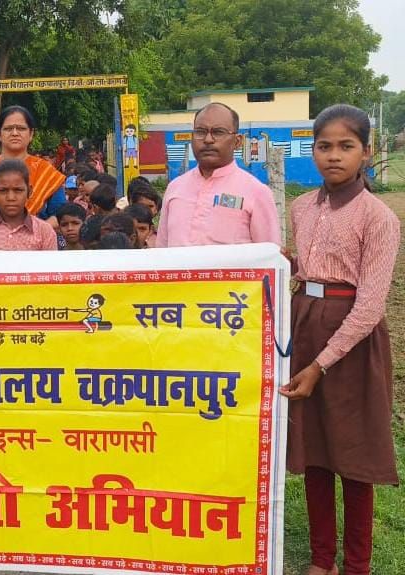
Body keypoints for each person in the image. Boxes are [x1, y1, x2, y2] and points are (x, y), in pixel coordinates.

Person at [279, 105, 400, 575]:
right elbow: (309, 272)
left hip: (352, 340)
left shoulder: (378, 217)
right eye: (324, 146)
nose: (334, 156)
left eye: (346, 146)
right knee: (314, 450)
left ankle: (356, 564)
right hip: (306, 325)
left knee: (353, 455)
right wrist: (281, 263)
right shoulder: (301, 207)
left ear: (366, 152)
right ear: (312, 151)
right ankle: (321, 559)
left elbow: (369, 306)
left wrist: (319, 365)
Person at [156, 102, 280, 247]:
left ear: (237, 141)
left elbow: (269, 255)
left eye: (218, 132)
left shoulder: (257, 193)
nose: (208, 140)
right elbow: (162, 251)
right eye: (200, 132)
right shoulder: (175, 188)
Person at [0, 106, 66, 233]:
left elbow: (61, 216)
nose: (14, 133)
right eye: (8, 129)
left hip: (37, 242)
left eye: (21, 128)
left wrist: (30, 232)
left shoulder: (46, 173)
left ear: (31, 134)